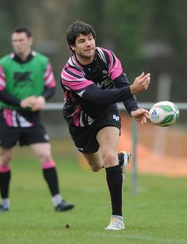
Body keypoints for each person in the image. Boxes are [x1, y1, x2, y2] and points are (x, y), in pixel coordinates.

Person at [60, 20, 151, 230]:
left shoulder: (107, 56)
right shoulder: (70, 72)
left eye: (90, 38)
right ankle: (120, 161)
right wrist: (132, 90)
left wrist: (133, 108)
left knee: (108, 155)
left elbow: (120, 84)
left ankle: (117, 218)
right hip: (79, 121)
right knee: (96, 166)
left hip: (105, 114)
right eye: (82, 41)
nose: (88, 44)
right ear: (73, 47)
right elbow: (96, 96)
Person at [0, 26, 74, 212]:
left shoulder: (42, 62)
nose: (18, 44)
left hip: (32, 118)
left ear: (30, 40)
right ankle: (4, 203)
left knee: (45, 154)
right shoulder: (3, 63)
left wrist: (42, 99)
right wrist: (20, 102)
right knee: (5, 159)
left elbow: (51, 87)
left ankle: (58, 201)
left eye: (21, 40)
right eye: (15, 41)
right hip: (9, 117)